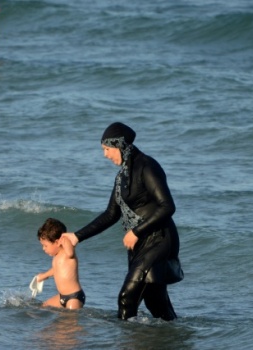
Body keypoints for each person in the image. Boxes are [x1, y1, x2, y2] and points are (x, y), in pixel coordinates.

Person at [63, 122, 183, 321]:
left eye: (107, 149)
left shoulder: (147, 166)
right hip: (139, 244)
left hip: (159, 240)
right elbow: (111, 214)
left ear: (120, 145)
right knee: (156, 303)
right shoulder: (122, 176)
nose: (105, 155)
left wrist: (136, 231)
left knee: (127, 298)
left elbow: (167, 206)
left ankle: (125, 341)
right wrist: (77, 236)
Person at [36, 218, 85, 310]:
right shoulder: (57, 257)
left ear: (58, 242)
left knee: (70, 321)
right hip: (61, 297)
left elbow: (70, 253)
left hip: (74, 297)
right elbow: (56, 270)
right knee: (43, 306)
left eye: (45, 245)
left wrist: (65, 239)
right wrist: (43, 276)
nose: (43, 249)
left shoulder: (68, 252)